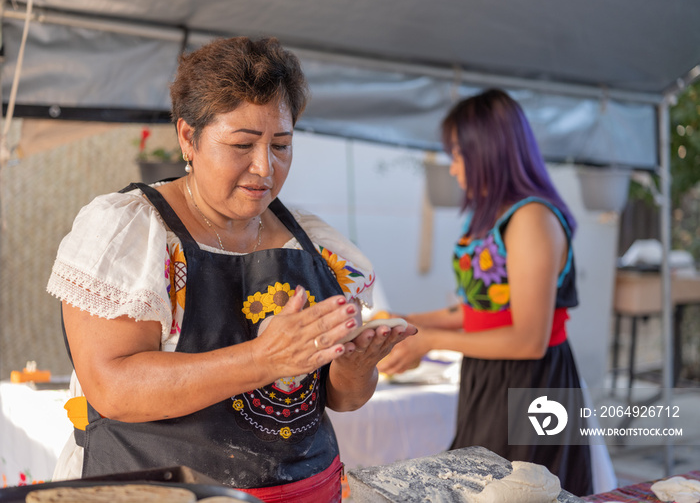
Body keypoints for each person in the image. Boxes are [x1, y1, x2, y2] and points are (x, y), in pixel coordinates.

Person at [47, 36, 415, 502]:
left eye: (281, 144)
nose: (265, 167)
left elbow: (339, 399)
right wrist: (263, 360)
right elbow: (113, 389)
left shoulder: (316, 243)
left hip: (308, 490)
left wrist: (356, 368)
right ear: (188, 136)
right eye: (243, 144)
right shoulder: (132, 232)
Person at [377, 89, 593, 496]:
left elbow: (529, 340)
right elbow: (477, 311)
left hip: (532, 384)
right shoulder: (492, 218)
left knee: (522, 492)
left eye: (458, 155)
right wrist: (408, 323)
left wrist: (431, 340)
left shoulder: (531, 219)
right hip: (490, 371)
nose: (454, 169)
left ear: (488, 152)